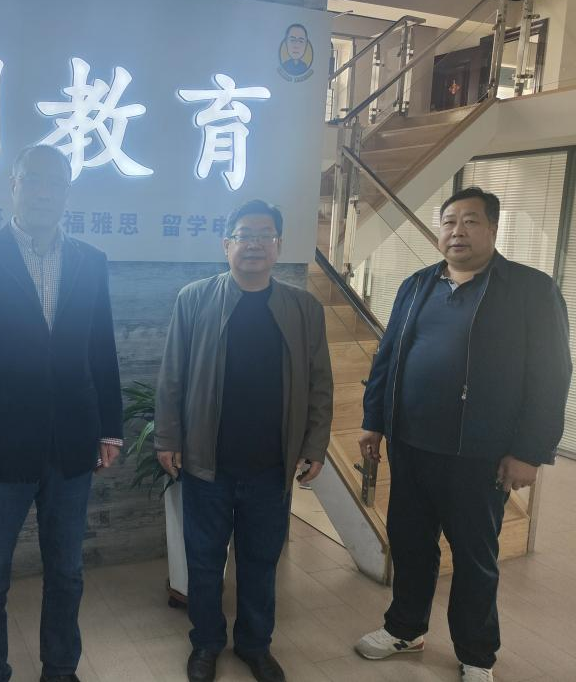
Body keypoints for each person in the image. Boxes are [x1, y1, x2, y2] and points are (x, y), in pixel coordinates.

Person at [354, 187, 571, 682]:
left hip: (480, 453)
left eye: (470, 221)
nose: (458, 232)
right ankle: (405, 628)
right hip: (411, 445)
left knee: (474, 556)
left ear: (493, 229)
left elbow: (552, 375)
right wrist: (374, 420)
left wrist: (529, 451)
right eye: (449, 222)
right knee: (410, 543)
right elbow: (388, 356)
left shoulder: (530, 290)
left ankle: (476, 654)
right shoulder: (418, 284)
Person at [0, 144, 124, 682]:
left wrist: (111, 427)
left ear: (67, 192)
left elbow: (101, 349)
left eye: (55, 182)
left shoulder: (90, 260)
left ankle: (60, 669)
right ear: (13, 186)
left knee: (67, 572)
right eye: (33, 180)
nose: (44, 192)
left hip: (72, 444)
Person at [154, 199, 333, 682]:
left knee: (260, 563)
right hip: (206, 462)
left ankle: (255, 645)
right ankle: (206, 643)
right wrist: (167, 437)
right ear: (226, 244)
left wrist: (315, 445)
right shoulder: (194, 299)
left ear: (279, 246)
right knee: (204, 562)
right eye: (244, 235)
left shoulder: (304, 308)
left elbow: (320, 383)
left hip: (271, 466)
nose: (254, 244)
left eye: (264, 235)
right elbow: (172, 376)